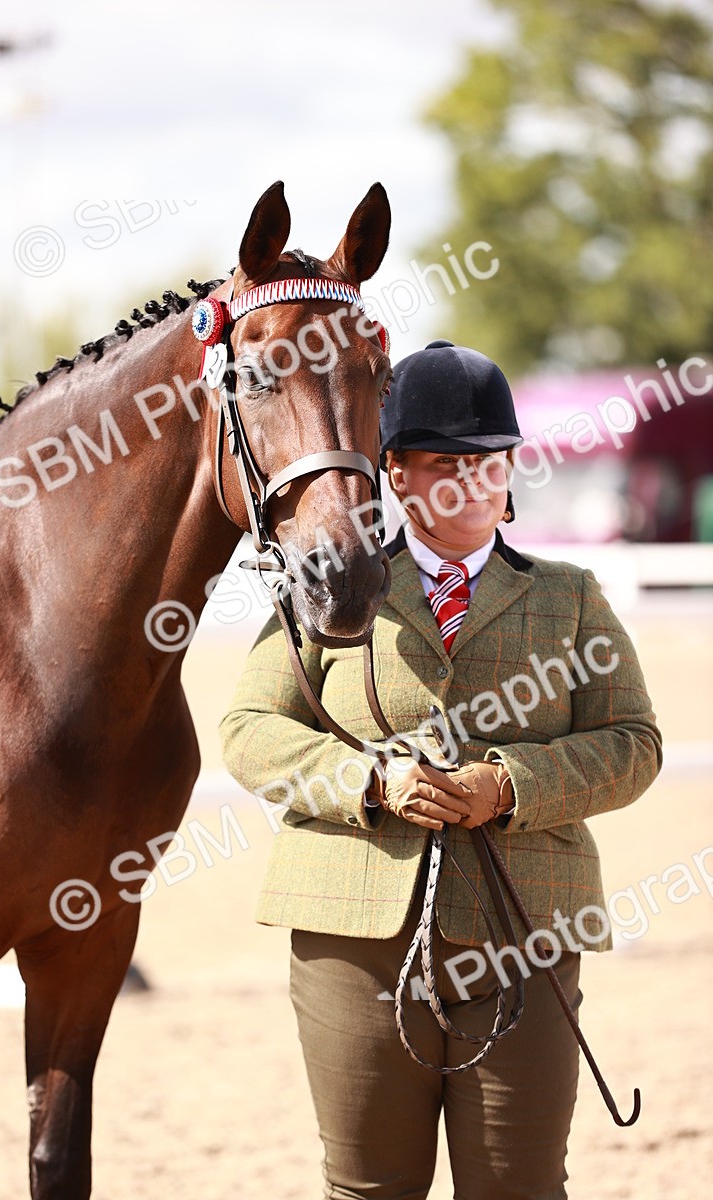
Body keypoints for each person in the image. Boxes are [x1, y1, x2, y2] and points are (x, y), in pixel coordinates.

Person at [219, 339, 662, 1200]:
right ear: (395, 473)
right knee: (368, 1188)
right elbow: (248, 729)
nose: (473, 481)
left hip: (524, 934)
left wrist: (512, 785)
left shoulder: (569, 597)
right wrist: (367, 784)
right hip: (354, 938)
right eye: (444, 463)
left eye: (490, 463)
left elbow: (634, 743)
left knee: (520, 1187)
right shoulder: (334, 587)